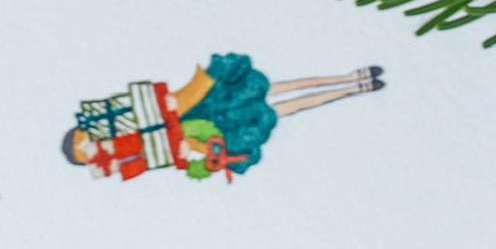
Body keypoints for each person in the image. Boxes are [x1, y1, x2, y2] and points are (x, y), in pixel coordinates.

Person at [61, 56, 383, 183]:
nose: (91, 147)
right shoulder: (129, 155)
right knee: (284, 109)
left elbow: (159, 103)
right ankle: (354, 88)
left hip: (200, 106)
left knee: (279, 89)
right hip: (208, 130)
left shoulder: (121, 118)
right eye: (85, 153)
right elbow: (168, 153)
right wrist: (197, 155)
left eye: (84, 141)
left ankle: (349, 77)